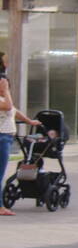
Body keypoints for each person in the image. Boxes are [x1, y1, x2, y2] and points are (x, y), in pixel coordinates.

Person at [0, 52, 41, 216]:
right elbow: (9, 107)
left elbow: (14, 111)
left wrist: (29, 121)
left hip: (6, 137)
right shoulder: (3, 99)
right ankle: (0, 207)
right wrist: (6, 90)